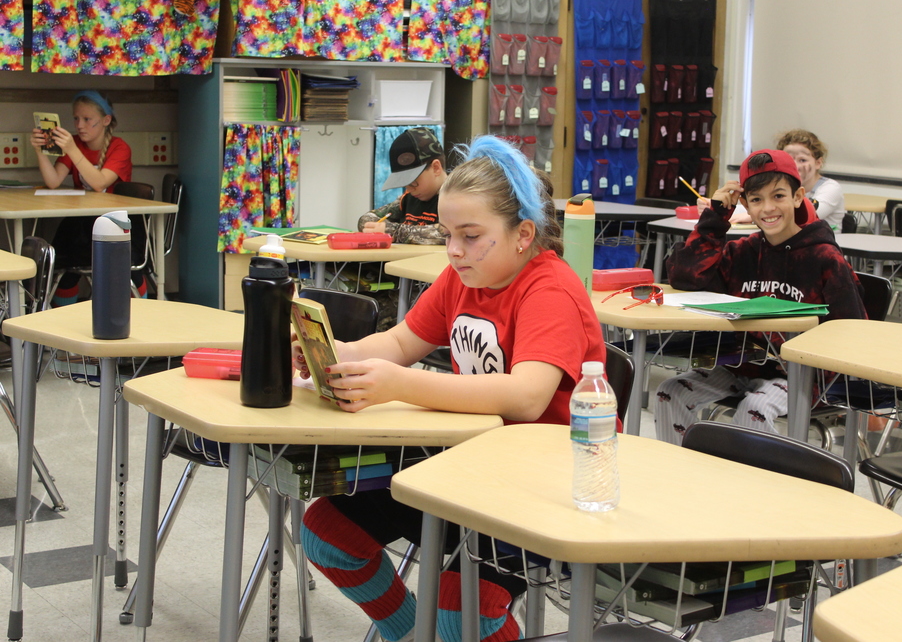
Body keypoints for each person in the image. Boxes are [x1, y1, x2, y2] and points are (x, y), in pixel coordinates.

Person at [298, 135, 605, 642]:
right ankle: (409, 636)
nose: (454, 250)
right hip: (469, 463)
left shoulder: (550, 289)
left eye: (469, 234)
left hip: (549, 482)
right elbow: (399, 342)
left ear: (523, 234)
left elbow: (528, 397)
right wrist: (330, 351)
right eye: (446, 234)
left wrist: (400, 386)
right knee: (329, 534)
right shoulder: (463, 275)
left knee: (461, 608)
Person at [653, 149, 866, 442]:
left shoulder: (823, 256)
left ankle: (751, 486)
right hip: (741, 365)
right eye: (756, 199)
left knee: (755, 408)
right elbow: (686, 277)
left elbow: (852, 327)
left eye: (778, 196)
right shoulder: (744, 251)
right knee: (669, 392)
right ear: (745, 205)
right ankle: (685, 481)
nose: (768, 208)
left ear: (798, 196)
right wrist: (716, 216)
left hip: (801, 376)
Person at [29, 90, 144, 304]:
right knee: (60, 262)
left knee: (126, 268)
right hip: (83, 221)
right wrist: (40, 151)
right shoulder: (74, 144)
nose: (79, 125)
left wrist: (72, 150)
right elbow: (54, 181)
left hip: (118, 223)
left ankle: (140, 307)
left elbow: (99, 183)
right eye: (76, 118)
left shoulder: (119, 148)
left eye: (87, 119)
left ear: (105, 121)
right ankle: (62, 318)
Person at [358, 127, 448, 245]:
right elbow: (366, 219)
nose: (409, 189)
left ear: (436, 168)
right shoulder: (408, 199)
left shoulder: (455, 197)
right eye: (405, 183)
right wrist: (376, 227)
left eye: (413, 181)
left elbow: (450, 231)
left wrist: (396, 232)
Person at [777, 128, 845, 230]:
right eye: (788, 160)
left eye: (802, 160)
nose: (795, 166)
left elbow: (805, 217)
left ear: (818, 163)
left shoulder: (831, 188)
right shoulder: (779, 186)